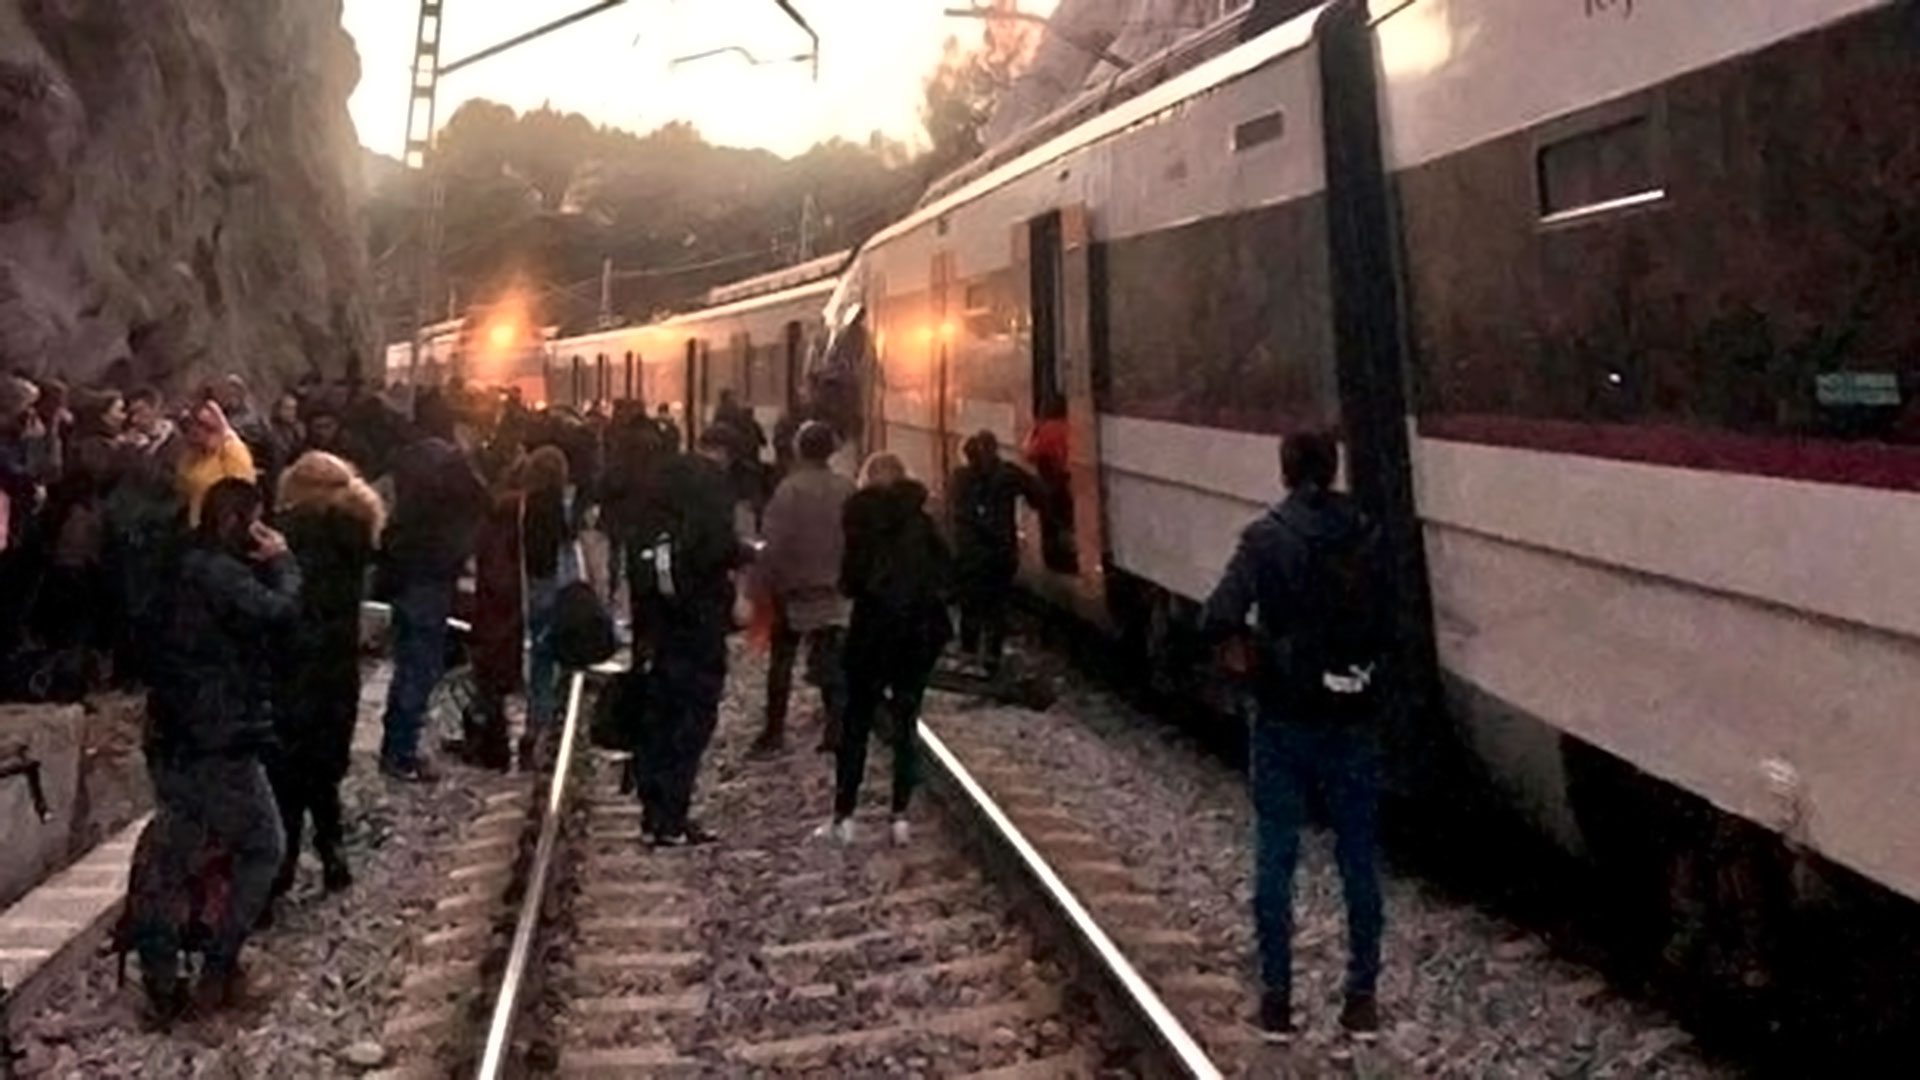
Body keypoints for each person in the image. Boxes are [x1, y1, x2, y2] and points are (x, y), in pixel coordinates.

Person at [1202, 431, 1387, 1044]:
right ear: (1333, 470)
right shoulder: (1368, 531)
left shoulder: (1264, 537)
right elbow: (1396, 617)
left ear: (1284, 472)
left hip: (1284, 719)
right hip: (1354, 713)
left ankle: (1277, 1004)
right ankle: (1361, 1001)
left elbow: (1219, 614)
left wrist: (1248, 655)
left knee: (1275, 857)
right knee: (1358, 856)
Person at [132, 478, 297, 1021]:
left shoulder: (171, 565)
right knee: (264, 846)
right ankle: (219, 969)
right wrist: (282, 562)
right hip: (220, 735)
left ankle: (160, 981)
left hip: (169, 731)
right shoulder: (224, 575)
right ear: (238, 520)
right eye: (255, 520)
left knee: (173, 855)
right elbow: (278, 613)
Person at [821, 452, 952, 848]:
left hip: (872, 633)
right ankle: (899, 818)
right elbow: (946, 570)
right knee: (907, 723)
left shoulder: (860, 520)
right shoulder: (922, 520)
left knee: (856, 723)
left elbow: (850, 581)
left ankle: (844, 817)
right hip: (918, 634)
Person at [627, 426, 750, 847]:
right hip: (697, 623)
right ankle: (673, 817)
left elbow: (636, 554)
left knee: (656, 716)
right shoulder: (712, 489)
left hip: (653, 624)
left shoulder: (655, 485)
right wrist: (745, 555)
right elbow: (714, 549)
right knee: (692, 718)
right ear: (726, 454)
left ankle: (652, 812)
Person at [269, 452, 383, 903]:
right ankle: (333, 851)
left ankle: (285, 863)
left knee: (289, 771)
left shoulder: (290, 536)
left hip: (293, 663)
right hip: (338, 666)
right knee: (325, 767)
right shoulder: (359, 533)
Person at [378, 390, 489, 781]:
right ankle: (401, 753)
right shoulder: (449, 461)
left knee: (407, 662)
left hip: (405, 572)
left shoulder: (404, 458)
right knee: (421, 665)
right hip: (432, 573)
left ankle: (396, 747)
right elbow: (480, 499)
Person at [751, 421, 853, 757]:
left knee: (782, 663)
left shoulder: (789, 490)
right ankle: (836, 732)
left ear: (798, 449)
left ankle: (773, 732)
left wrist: (761, 584)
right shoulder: (846, 488)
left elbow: (774, 542)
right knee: (830, 664)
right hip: (833, 587)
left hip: (792, 589)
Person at [948, 430, 1043, 677]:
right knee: (996, 606)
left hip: (970, 553)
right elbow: (1038, 495)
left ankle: (969, 653)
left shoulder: (959, 478)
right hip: (1001, 552)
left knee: (971, 605)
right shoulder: (1008, 474)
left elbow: (953, 511)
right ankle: (992, 657)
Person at [517, 445, 574, 769]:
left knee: (539, 661)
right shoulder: (556, 506)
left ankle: (533, 727)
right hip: (554, 586)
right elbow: (565, 548)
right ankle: (546, 728)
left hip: (532, 587)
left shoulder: (523, 505)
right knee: (555, 660)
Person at [176, 399, 256, 527]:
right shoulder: (193, 454)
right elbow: (182, 485)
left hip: (223, 527)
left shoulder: (233, 451)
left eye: (198, 428)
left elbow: (243, 497)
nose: (191, 435)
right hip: (195, 523)